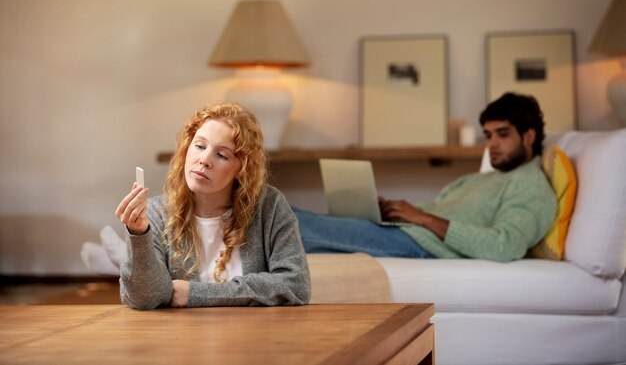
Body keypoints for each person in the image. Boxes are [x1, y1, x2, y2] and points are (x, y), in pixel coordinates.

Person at [295, 92, 557, 262]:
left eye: (503, 134)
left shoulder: (530, 185)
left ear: (529, 136)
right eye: (488, 135)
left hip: (421, 245)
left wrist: (421, 218)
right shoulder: (481, 179)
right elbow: (439, 211)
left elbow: (505, 245)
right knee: (288, 213)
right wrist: (395, 211)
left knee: (290, 224)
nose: (492, 144)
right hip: (406, 231)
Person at [114, 102, 310, 309]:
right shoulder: (156, 213)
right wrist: (139, 234)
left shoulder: (269, 206)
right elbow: (146, 298)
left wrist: (195, 294)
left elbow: (296, 285)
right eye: (199, 146)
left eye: (222, 155)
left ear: (241, 169)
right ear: (186, 148)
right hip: (181, 338)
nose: (204, 160)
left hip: (255, 336)